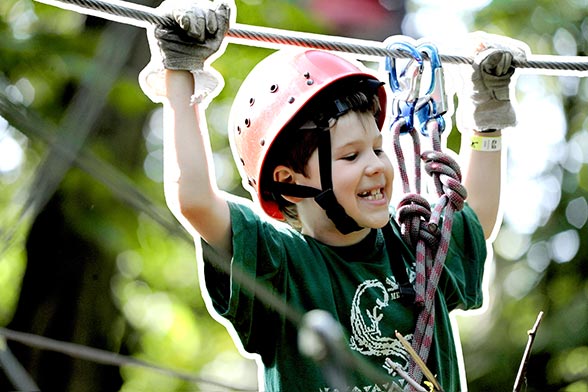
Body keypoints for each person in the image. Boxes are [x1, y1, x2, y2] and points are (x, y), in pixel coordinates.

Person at [139, 1, 526, 390]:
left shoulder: (414, 247)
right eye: (351, 155)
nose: (376, 165)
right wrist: (180, 73)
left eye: (377, 148)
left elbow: (477, 216)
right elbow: (196, 201)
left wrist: (486, 121)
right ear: (290, 179)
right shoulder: (280, 266)